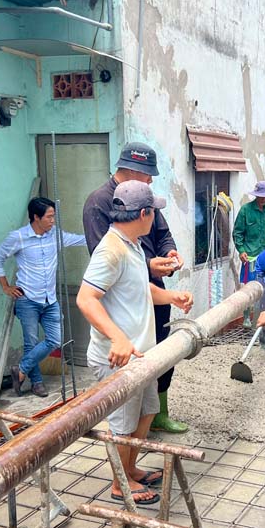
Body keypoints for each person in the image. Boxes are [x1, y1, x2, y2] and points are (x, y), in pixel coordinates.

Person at [77, 181, 193, 506]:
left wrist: (172, 296)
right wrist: (117, 337)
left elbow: (141, 288)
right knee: (123, 426)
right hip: (117, 359)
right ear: (144, 214)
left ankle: (129, 469)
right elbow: (86, 299)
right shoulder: (111, 250)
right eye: (154, 211)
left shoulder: (134, 245)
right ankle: (120, 483)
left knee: (146, 414)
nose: (155, 217)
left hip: (141, 356)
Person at [83, 142, 189, 433]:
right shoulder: (105, 222)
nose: (151, 180)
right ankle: (124, 461)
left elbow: (162, 235)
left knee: (147, 403)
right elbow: (91, 293)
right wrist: (117, 337)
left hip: (143, 324)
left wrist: (167, 258)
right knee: (124, 424)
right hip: (122, 340)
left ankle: (152, 425)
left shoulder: (133, 239)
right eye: (148, 175)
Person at [0, 197, 86, 397]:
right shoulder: (18, 237)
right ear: (36, 217)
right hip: (28, 300)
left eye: (53, 216)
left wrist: (107, 233)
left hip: (50, 299)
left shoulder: (55, 235)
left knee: (55, 340)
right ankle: (36, 383)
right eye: (49, 217)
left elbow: (80, 239)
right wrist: (6, 287)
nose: (53, 221)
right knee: (31, 343)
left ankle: (21, 370)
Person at [233, 181, 265, 327]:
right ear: (256, 195)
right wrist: (241, 250)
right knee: (248, 286)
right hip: (250, 254)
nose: (264, 199)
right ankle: (246, 316)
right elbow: (237, 233)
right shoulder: (245, 210)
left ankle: (262, 315)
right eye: (261, 196)